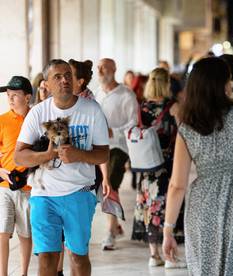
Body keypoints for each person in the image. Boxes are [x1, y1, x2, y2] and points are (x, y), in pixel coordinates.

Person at [162, 57, 233, 275]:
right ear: (222, 86)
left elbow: (177, 185)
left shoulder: (188, 126)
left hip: (201, 211)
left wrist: (168, 229)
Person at [14, 59, 110, 276]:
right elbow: (19, 156)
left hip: (79, 193)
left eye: (68, 74)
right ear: (46, 83)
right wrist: (45, 155)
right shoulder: (38, 113)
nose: (65, 79)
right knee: (47, 258)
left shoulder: (91, 110)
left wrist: (80, 155)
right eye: (57, 76)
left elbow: (103, 153)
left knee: (78, 256)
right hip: (43, 196)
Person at [131, 67, 185, 268]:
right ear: (167, 84)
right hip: (168, 164)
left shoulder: (141, 108)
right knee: (168, 205)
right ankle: (170, 255)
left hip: (147, 166)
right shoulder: (174, 107)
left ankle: (154, 255)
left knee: (150, 207)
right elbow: (183, 132)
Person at [95, 58, 138, 250]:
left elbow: (134, 122)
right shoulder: (96, 94)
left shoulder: (126, 94)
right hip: (98, 148)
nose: (100, 70)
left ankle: (110, 233)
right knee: (100, 188)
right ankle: (116, 225)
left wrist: (115, 131)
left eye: (104, 67)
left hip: (119, 148)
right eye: (99, 67)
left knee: (109, 185)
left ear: (114, 69)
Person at [0, 76, 33, 276]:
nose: (10, 99)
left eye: (15, 95)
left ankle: (23, 273)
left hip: (29, 189)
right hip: (4, 186)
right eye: (8, 95)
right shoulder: (2, 120)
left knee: (25, 234)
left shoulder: (36, 119)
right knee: (2, 232)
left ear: (27, 97)